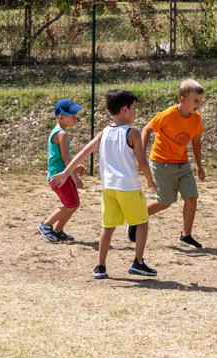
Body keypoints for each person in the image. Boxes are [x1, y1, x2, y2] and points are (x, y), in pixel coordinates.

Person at [52, 90, 158, 279]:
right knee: (141, 222)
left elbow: (84, 152)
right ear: (124, 109)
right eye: (133, 108)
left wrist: (66, 173)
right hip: (129, 187)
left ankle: (100, 267)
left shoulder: (104, 132)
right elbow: (142, 162)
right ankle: (138, 262)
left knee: (107, 227)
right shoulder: (132, 132)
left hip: (108, 188)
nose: (135, 112)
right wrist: (151, 180)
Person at [133, 79, 206, 248]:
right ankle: (136, 218)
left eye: (200, 101)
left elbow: (196, 141)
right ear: (182, 99)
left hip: (182, 164)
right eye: (196, 101)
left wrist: (199, 165)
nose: (199, 104)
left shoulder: (196, 118)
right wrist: (141, 156)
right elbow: (147, 129)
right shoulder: (168, 115)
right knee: (165, 201)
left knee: (192, 197)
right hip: (161, 162)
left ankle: (186, 235)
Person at [38, 98, 85, 243]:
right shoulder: (62, 134)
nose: (76, 118)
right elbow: (65, 158)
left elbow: (63, 159)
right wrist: (75, 178)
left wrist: (75, 169)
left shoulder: (59, 132)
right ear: (60, 117)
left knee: (73, 204)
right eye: (72, 115)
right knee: (70, 204)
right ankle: (46, 225)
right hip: (59, 177)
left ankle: (58, 230)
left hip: (63, 175)